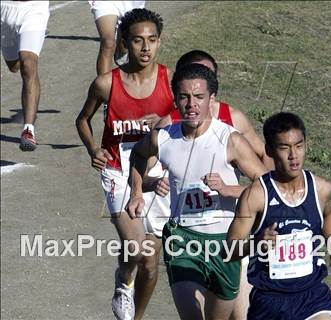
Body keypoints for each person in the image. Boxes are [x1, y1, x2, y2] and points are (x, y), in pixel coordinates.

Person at [127, 63, 266, 320]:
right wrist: (139, 189)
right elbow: (137, 154)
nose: (191, 104)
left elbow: (268, 188)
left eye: (199, 97)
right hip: (183, 239)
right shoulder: (164, 137)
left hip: (225, 243)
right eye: (184, 97)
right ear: (176, 100)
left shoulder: (230, 140)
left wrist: (230, 189)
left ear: (211, 99)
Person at [76, 8, 175, 320]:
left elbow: (190, 119)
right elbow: (82, 120)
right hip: (118, 169)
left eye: (152, 40)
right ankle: (123, 280)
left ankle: (135, 312)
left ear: (159, 42)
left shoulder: (170, 81)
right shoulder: (107, 83)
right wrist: (93, 148)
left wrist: (162, 123)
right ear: (124, 42)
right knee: (136, 246)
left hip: (157, 171)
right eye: (137, 41)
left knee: (150, 260)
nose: (145, 48)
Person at [227, 112, 331, 320]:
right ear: (269, 151)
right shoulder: (256, 196)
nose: (293, 155)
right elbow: (228, 250)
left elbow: (327, 216)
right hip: (269, 301)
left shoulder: (321, 189)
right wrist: (257, 244)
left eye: (299, 146)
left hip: (311, 296)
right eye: (284, 148)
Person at [1, 0, 50, 151]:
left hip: (34, 8)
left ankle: (28, 129)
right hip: (4, 8)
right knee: (14, 66)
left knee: (28, 64)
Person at [88, 0, 146, 75]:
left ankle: (121, 47)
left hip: (132, 3)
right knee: (108, 42)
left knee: (126, 41)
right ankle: (104, 85)